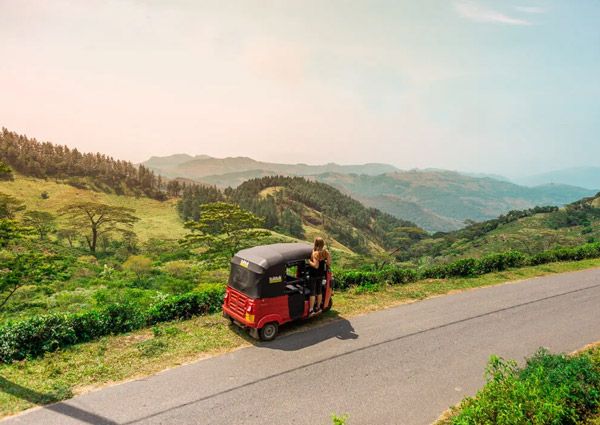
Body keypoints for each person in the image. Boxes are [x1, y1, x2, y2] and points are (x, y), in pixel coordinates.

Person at [308, 237, 331, 314]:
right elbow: (328, 263)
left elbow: (316, 265)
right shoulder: (326, 252)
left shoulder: (315, 253)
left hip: (313, 274)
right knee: (319, 291)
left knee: (312, 292)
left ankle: (311, 310)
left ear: (315, 243)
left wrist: (309, 262)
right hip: (321, 274)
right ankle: (318, 308)